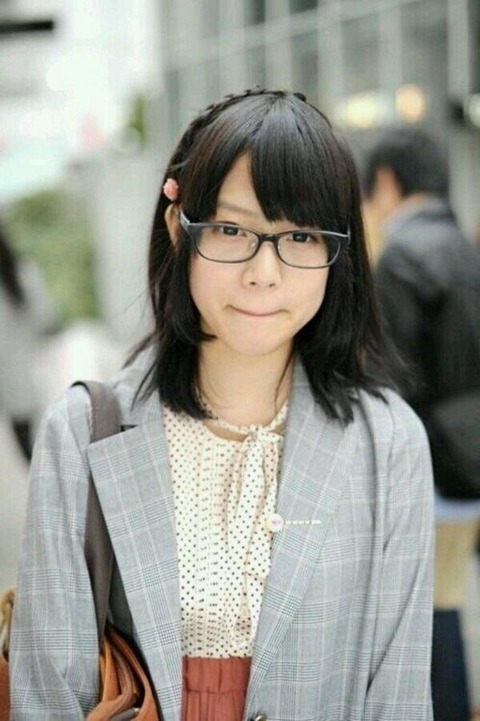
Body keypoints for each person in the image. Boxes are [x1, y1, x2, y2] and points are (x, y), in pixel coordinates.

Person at [10, 89, 435, 721]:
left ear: (337, 251)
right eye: (233, 230)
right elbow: (46, 697)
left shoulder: (390, 441)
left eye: (300, 235)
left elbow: (398, 698)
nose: (264, 272)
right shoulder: (82, 433)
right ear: (177, 228)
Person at [362, 126, 480, 721]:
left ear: (386, 182)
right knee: (447, 600)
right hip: (470, 459)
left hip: (430, 468)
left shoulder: (400, 259)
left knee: (429, 615)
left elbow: (391, 382)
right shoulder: (469, 250)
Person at [0, 223, 58, 461]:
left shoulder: (22, 273)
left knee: (36, 462)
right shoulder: (23, 272)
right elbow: (46, 318)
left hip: (16, 392)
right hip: (40, 379)